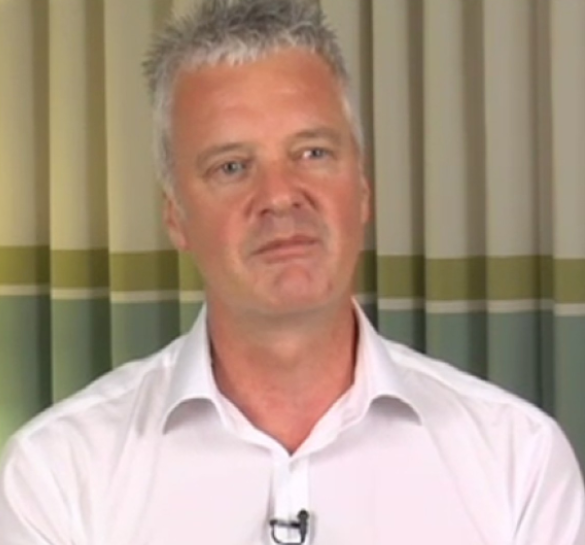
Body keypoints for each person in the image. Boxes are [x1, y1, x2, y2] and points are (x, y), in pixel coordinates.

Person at [1, 0, 584, 543]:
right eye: (232, 166)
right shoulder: (59, 474)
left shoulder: (518, 463)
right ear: (176, 217)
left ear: (362, 189)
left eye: (313, 153)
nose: (280, 196)